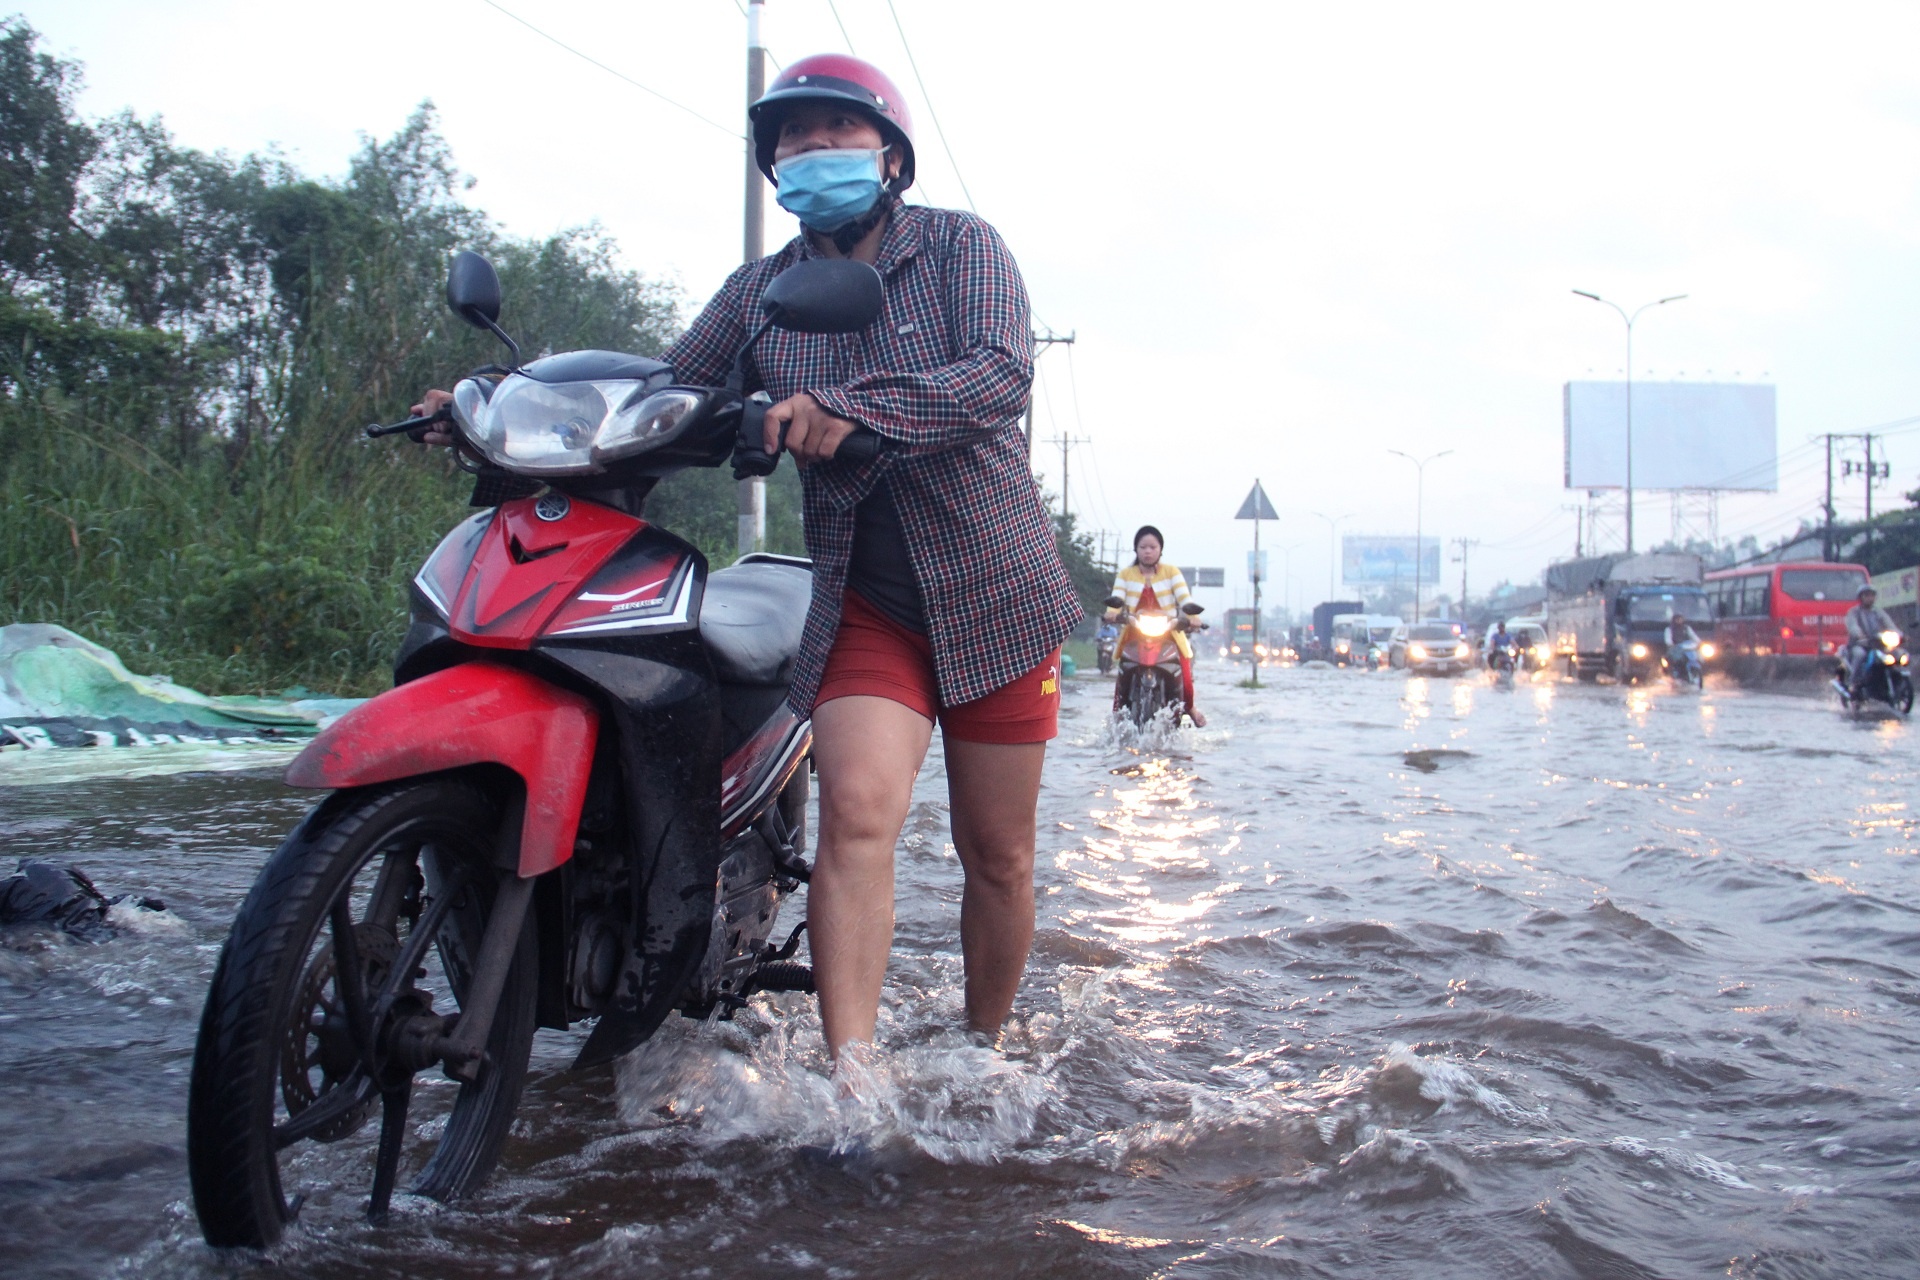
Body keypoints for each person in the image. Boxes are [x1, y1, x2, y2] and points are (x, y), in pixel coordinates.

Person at [413, 54, 1080, 1061]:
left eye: (836, 135)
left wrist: (845, 410)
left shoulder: (961, 250)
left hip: (997, 591)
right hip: (866, 596)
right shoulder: (760, 291)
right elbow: (667, 382)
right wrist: (501, 405)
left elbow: (996, 372)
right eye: (793, 142)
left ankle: (982, 1048)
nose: (812, 153)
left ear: (891, 157)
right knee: (857, 814)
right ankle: (854, 1086)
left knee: (999, 853)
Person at [1105, 526, 1205, 726]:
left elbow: (1184, 598)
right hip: (1134, 633)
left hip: (1168, 633)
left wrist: (1192, 617)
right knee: (1122, 673)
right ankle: (1116, 714)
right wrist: (1112, 613)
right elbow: (1117, 597)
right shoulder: (1126, 574)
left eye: (1152, 547)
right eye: (1143, 547)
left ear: (1160, 550)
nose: (1148, 551)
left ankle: (1190, 708)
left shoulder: (1171, 572)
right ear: (1136, 549)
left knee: (1185, 672)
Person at [1844, 586, 1898, 695]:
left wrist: (1898, 634)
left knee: (1896, 655)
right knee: (1860, 655)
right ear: (1861, 597)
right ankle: (1853, 683)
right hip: (1859, 644)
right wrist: (1860, 635)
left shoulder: (1878, 612)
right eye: (1867, 595)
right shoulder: (1854, 612)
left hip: (1878, 644)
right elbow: (1853, 626)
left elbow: (1890, 624)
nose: (1870, 598)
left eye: (1872, 595)